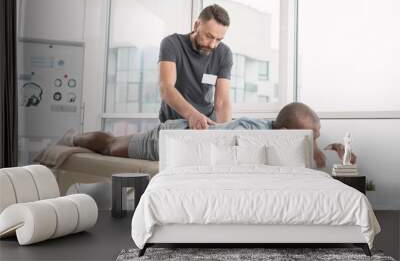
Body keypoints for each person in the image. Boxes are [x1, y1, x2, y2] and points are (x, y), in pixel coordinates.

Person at [57, 103, 356, 169]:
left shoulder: (279, 134)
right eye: (309, 136)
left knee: (113, 143)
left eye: (315, 136)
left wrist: (340, 159)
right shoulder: (251, 131)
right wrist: (316, 151)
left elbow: (311, 163)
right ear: (286, 132)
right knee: (110, 146)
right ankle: (75, 138)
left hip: (183, 135)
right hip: (173, 136)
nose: (313, 141)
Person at [158, 4, 233, 130]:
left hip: (206, 125)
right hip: (173, 124)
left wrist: (225, 132)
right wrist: (192, 115)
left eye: (218, 39)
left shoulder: (224, 53)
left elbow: (222, 102)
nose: (212, 45)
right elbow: (166, 87)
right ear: (196, 25)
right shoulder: (171, 44)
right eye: (209, 36)